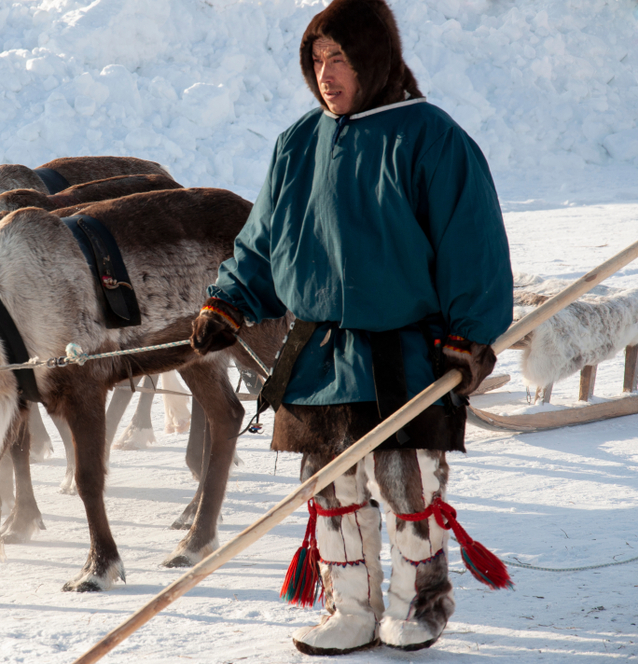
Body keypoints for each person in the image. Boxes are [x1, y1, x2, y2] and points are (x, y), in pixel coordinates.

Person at [190, 0, 513, 656]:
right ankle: (352, 608)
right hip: (317, 350)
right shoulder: (299, 142)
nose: (326, 74)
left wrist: (469, 336)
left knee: (405, 483)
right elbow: (263, 240)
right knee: (329, 487)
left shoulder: (430, 136)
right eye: (316, 60)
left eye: (339, 58)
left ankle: (419, 600)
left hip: (405, 350)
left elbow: (471, 243)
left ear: (375, 59)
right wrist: (229, 302)